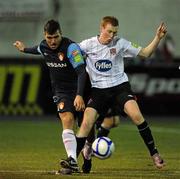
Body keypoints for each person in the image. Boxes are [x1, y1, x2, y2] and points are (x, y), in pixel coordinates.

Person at [76, 16, 167, 171]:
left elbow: (145, 53)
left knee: (137, 116)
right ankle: (73, 160)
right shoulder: (87, 45)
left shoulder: (120, 43)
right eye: (109, 31)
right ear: (102, 28)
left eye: (115, 32)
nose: (112, 35)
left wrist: (157, 38)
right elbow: (72, 54)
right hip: (99, 90)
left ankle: (154, 154)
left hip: (120, 87)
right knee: (86, 123)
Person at [13, 19, 87, 173]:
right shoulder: (43, 46)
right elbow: (37, 49)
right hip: (61, 92)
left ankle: (88, 154)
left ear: (61, 34)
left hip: (79, 89)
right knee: (67, 118)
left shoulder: (71, 48)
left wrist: (79, 95)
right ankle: (72, 160)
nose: (52, 41)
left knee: (86, 129)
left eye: (56, 37)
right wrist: (24, 49)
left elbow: (81, 72)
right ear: (45, 36)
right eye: (49, 38)